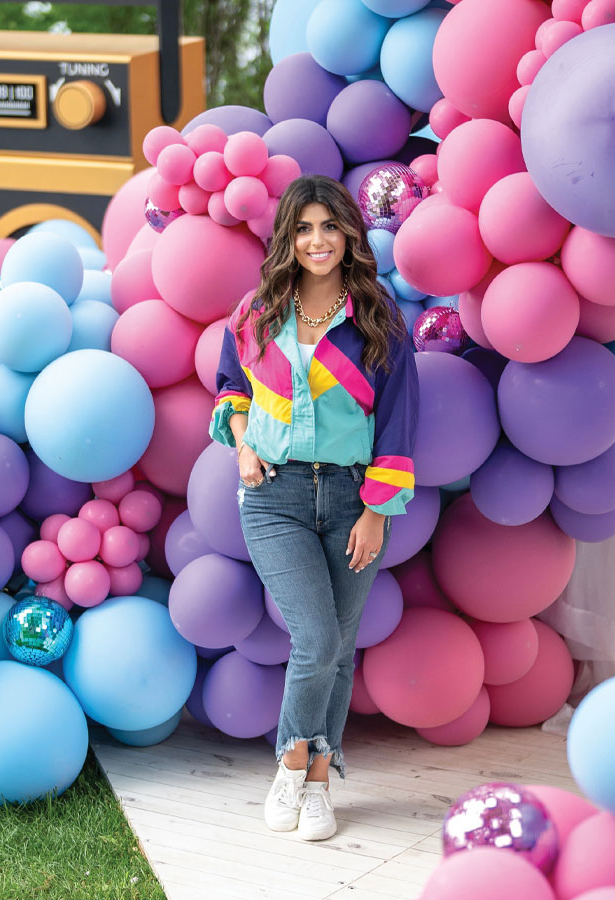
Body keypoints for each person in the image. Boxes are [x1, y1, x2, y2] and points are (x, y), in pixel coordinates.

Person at [209, 174, 419, 841]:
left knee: (341, 646)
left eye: (330, 226)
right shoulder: (256, 314)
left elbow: (399, 420)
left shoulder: (379, 317)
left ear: (349, 234)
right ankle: (290, 765)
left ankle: (320, 785)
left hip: (354, 498)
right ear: (287, 239)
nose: (317, 240)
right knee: (317, 638)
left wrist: (378, 511)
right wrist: (243, 447)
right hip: (275, 497)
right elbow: (227, 392)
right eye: (303, 228)